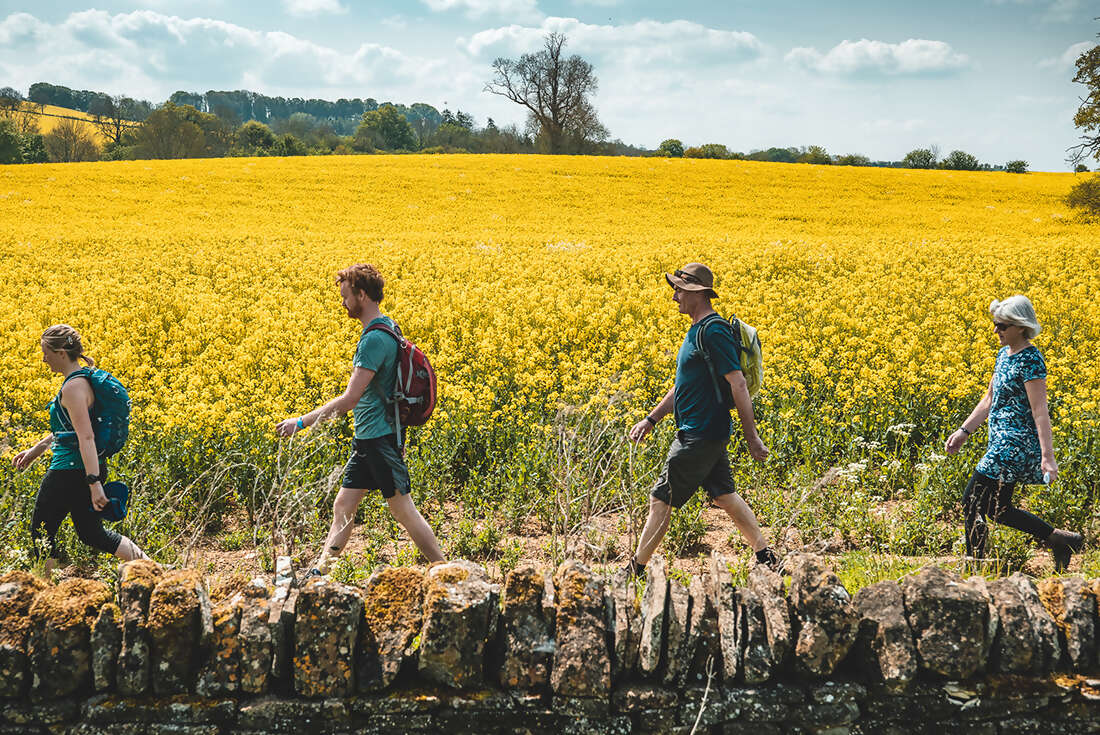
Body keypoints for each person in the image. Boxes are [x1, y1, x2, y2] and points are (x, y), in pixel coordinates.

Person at [277, 264, 444, 576]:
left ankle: (445, 570)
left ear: (362, 295)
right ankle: (323, 572)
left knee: (404, 511)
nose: (342, 303)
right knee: (344, 504)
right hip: (369, 440)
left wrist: (300, 423)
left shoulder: (373, 341)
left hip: (380, 440)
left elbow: (349, 400)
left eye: (346, 296)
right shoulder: (388, 327)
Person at [626, 262, 780, 576]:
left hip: (699, 434)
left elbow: (737, 382)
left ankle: (634, 571)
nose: (674, 297)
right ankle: (767, 558)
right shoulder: (697, 331)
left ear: (697, 293)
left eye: (679, 290)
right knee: (725, 496)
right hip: (705, 431)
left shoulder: (713, 331)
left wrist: (752, 437)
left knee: (660, 501)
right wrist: (651, 419)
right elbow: (682, 386)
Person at [945, 295, 1083, 571]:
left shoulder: (1031, 361)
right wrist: (964, 431)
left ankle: (975, 567)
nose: (996, 330)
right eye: (996, 324)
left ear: (1020, 326)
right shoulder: (1003, 354)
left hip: (1014, 445)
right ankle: (1060, 540)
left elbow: (1040, 411)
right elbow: (989, 399)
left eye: (1002, 325)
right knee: (998, 509)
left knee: (971, 500)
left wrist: (1048, 457)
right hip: (999, 441)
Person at [12, 325, 149, 570]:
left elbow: (86, 438)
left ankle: (46, 593)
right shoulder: (81, 381)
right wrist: (37, 449)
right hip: (82, 469)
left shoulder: (73, 388)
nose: (44, 358)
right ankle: (153, 568)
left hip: (70, 472)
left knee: (41, 531)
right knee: (91, 533)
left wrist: (94, 483)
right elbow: (71, 430)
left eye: (47, 352)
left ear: (61, 352)